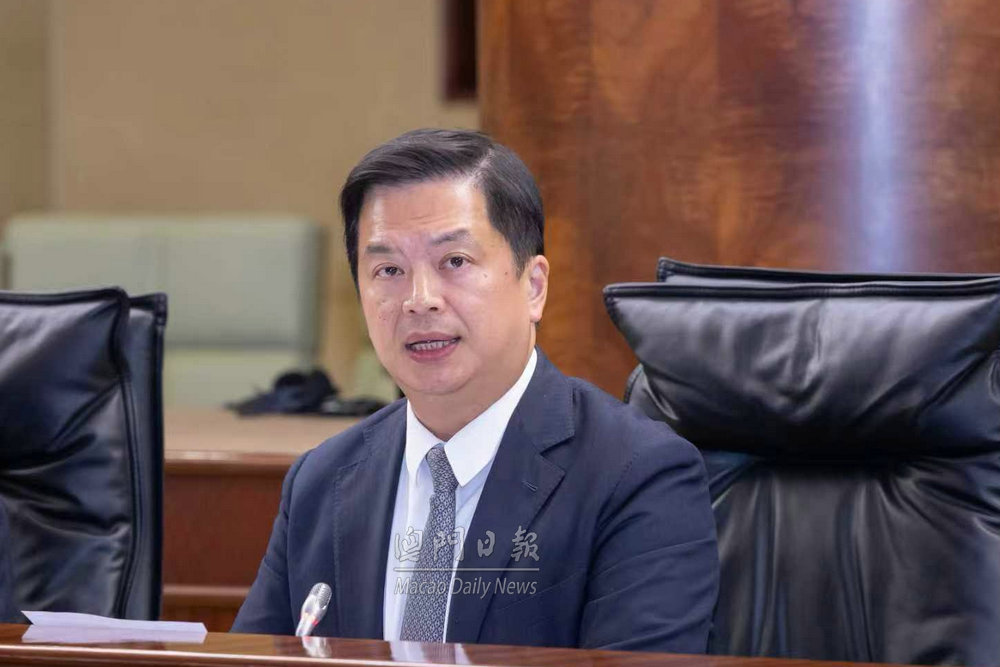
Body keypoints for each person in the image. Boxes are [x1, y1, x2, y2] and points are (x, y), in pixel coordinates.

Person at [232, 129, 719, 652]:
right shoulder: (321, 481)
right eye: (389, 270)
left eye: (455, 262)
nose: (419, 299)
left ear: (534, 286)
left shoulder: (638, 476)